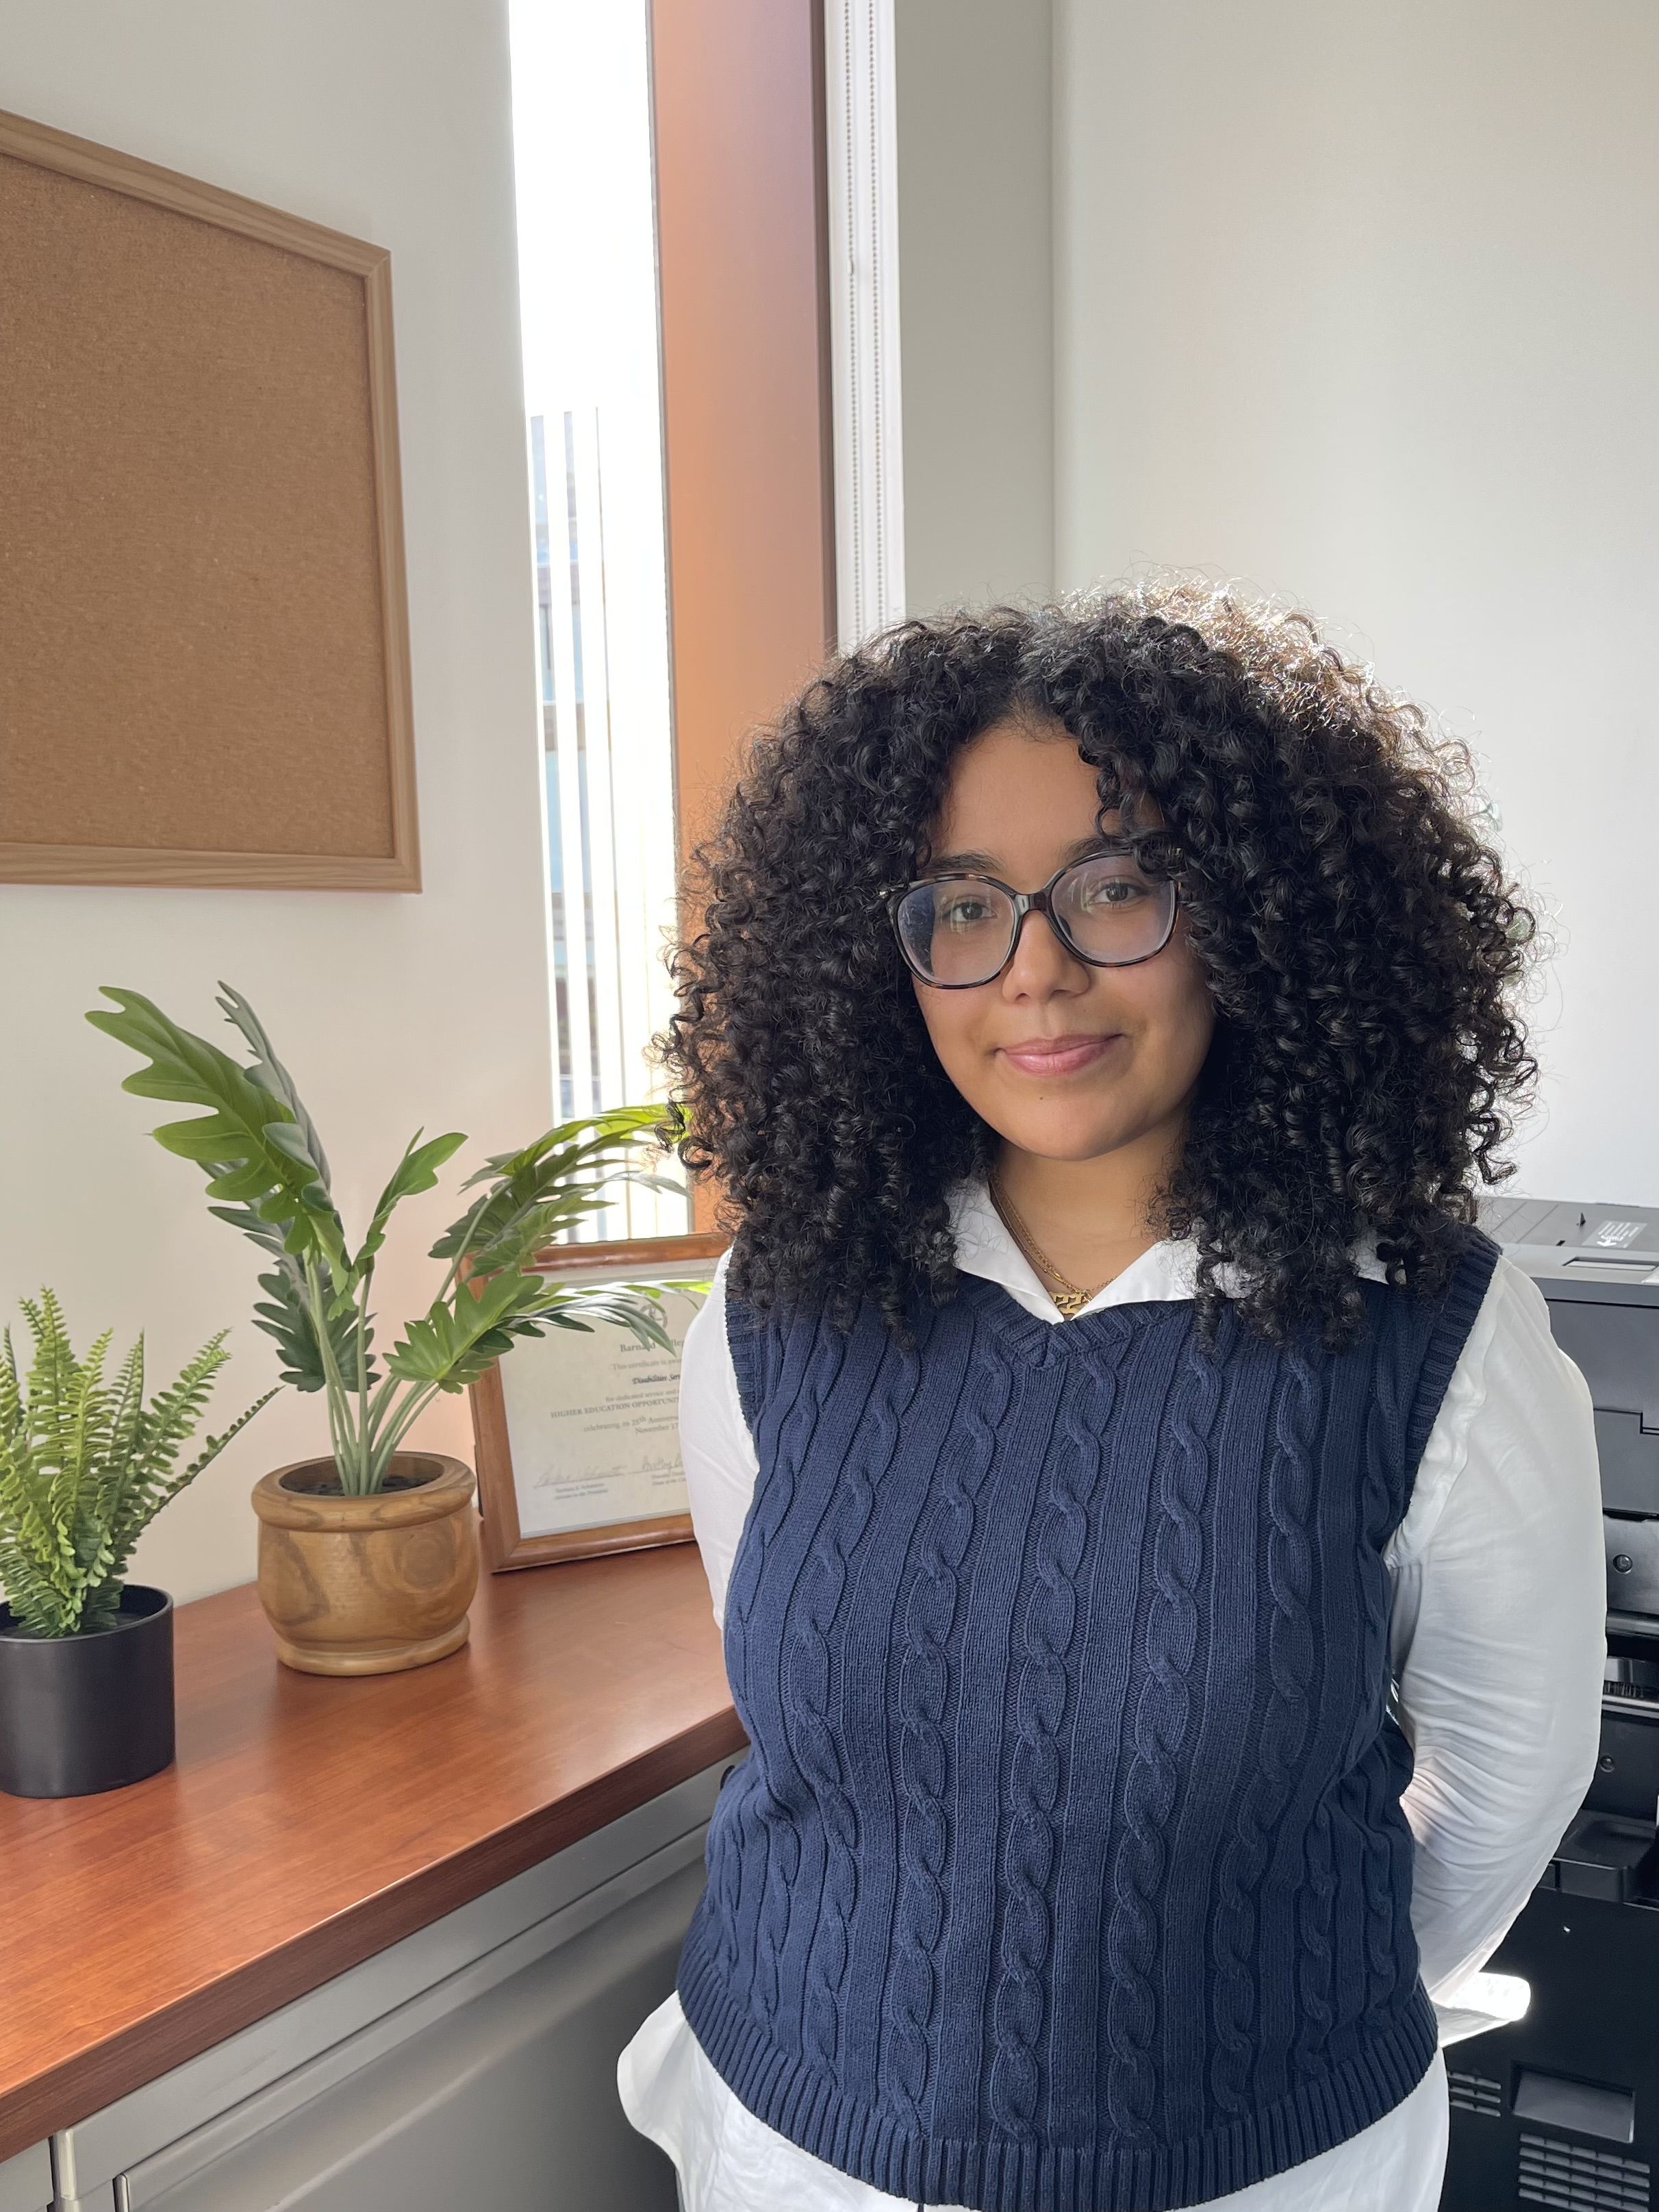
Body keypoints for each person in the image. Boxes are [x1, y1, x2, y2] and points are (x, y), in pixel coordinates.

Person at [616, 581, 1606, 2212]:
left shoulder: (1435, 1335)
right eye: (961, 905)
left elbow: (1506, 1788)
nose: (1037, 974)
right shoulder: (775, 1309)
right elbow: (798, 1712)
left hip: (1261, 2167)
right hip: (785, 2145)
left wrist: (1274, 2008)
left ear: (1252, 917)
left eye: (1119, 886)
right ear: (889, 960)